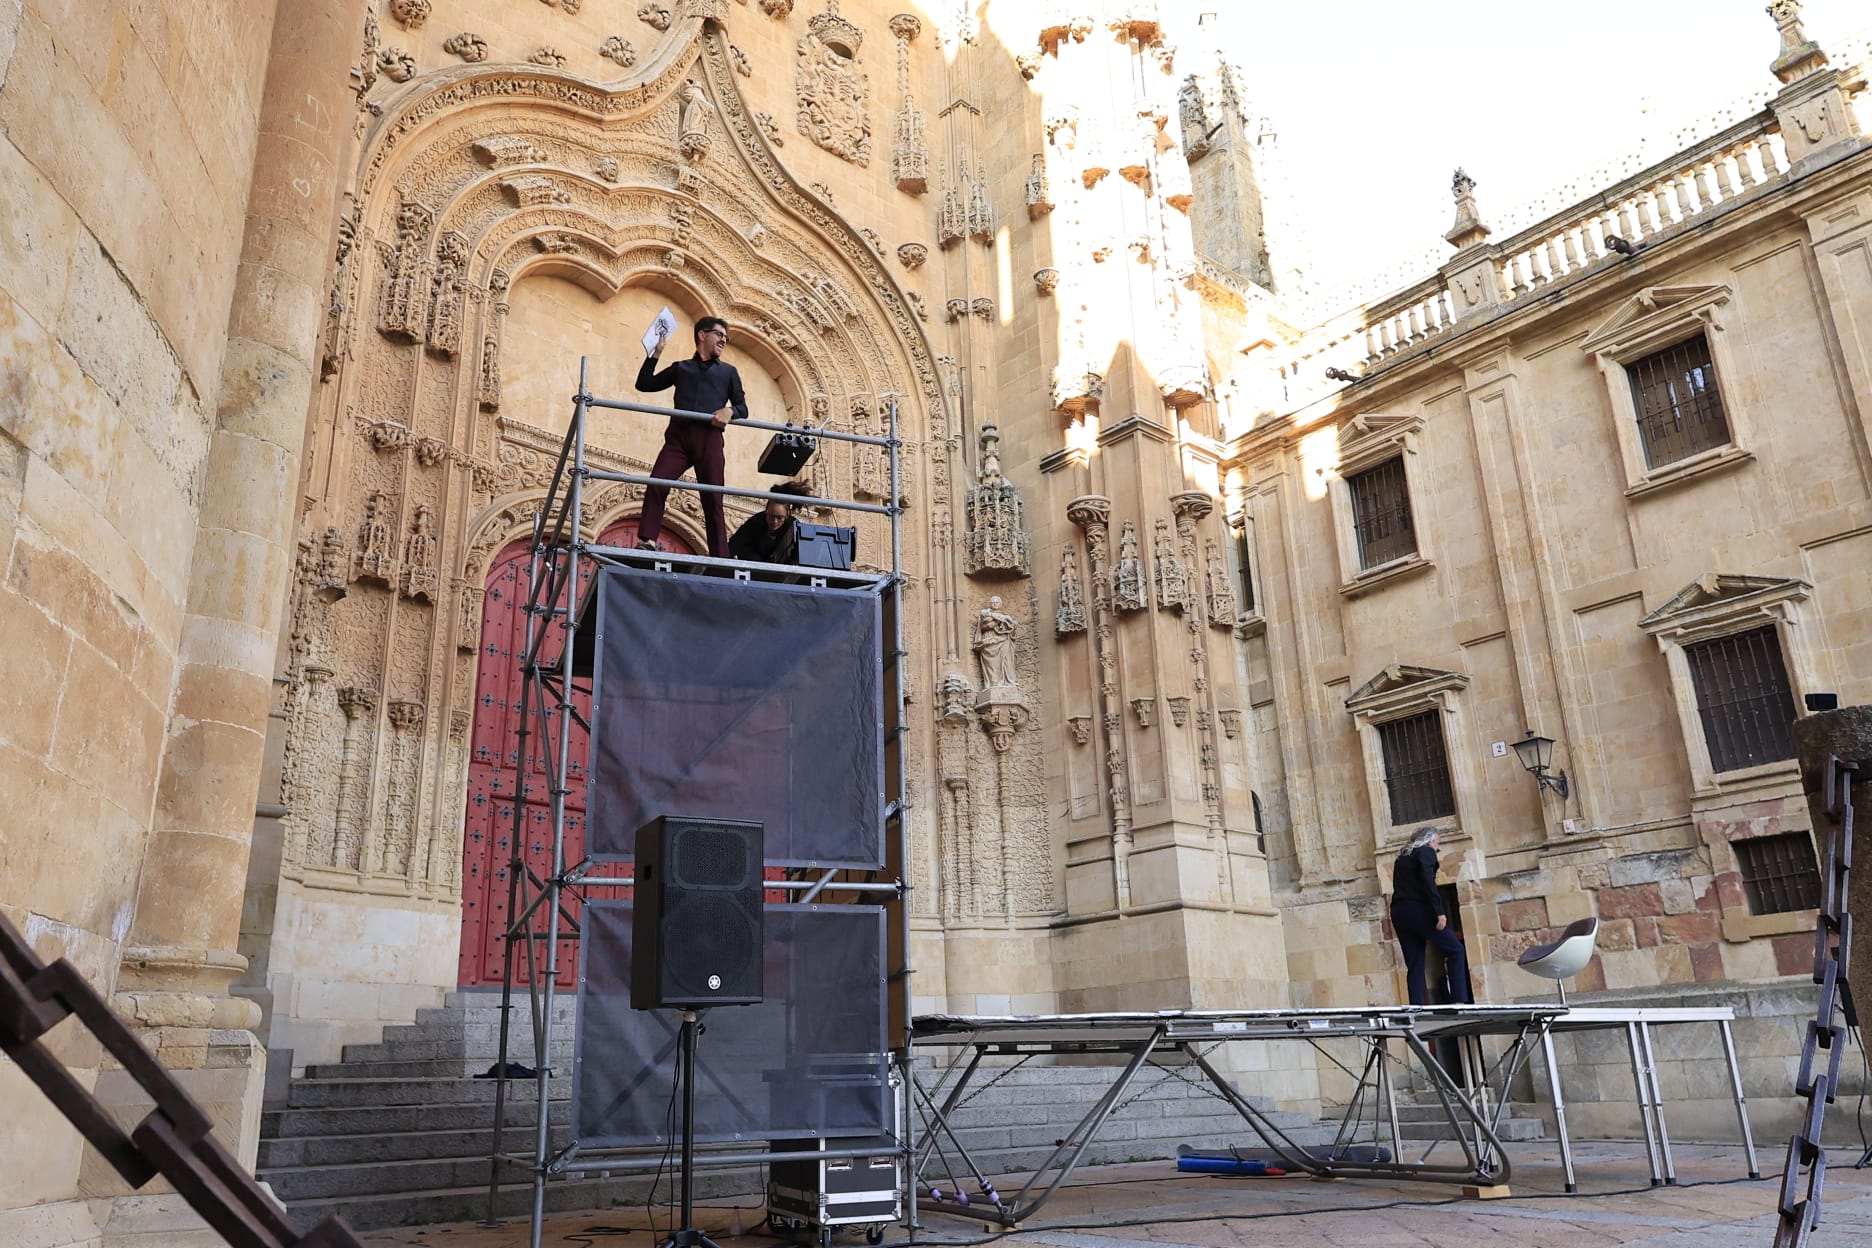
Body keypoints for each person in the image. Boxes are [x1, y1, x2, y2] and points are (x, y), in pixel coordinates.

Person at [634, 315, 749, 558]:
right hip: (678, 438)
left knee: (713, 498)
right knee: (657, 482)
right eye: (719, 334)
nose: (723, 340)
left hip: (709, 438)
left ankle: (720, 557)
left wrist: (730, 411)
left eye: (726, 338)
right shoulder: (681, 368)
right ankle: (647, 540)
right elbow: (644, 384)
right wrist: (655, 353)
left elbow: (743, 408)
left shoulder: (728, 372)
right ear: (702, 335)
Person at [1390, 825, 1473, 1006]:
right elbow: (1428, 881)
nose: (1438, 847)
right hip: (1417, 908)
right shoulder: (1425, 852)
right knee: (1455, 949)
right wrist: (1439, 912)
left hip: (1399, 911)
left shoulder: (1401, 858)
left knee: (1415, 963)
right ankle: (1459, 1000)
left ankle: (1416, 1008)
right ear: (1428, 841)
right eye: (1437, 842)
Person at [727, 480, 812, 565]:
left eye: (779, 518)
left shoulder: (793, 527)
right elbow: (733, 545)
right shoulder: (754, 523)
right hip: (755, 568)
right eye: (771, 516)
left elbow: (802, 555)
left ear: (787, 515)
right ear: (766, 511)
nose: (775, 522)